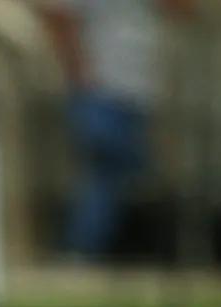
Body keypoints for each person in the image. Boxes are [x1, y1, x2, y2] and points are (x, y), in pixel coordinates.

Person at [41, 0, 183, 259]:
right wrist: (79, 74)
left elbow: (183, 11)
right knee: (104, 168)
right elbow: (57, 16)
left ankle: (99, 249)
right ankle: (81, 249)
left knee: (128, 173)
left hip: (138, 92)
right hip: (100, 90)